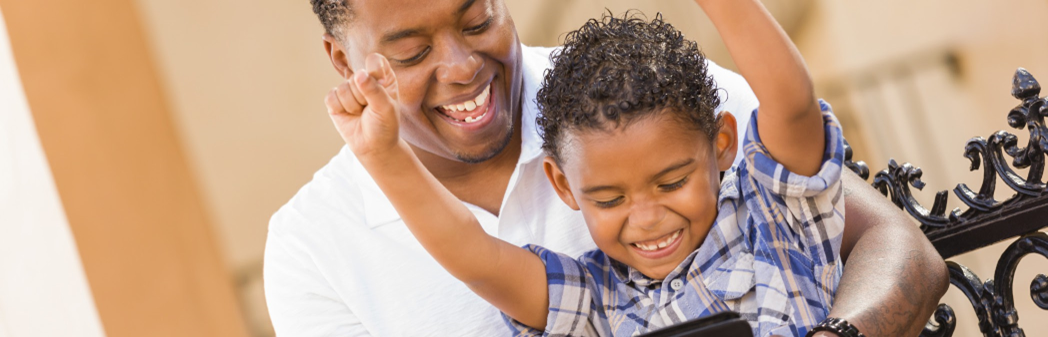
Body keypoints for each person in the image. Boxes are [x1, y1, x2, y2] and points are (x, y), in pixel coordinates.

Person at [264, 0, 948, 336]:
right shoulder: (596, 297)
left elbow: (893, 240)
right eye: (410, 53)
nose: (464, 66)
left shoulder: (653, 93)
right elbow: (479, 260)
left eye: (477, 22)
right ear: (341, 60)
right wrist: (383, 157)